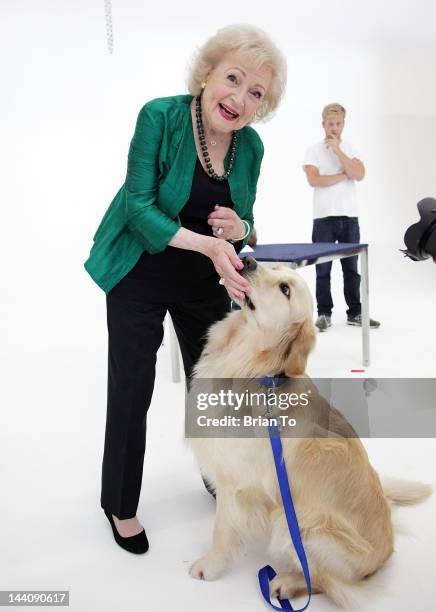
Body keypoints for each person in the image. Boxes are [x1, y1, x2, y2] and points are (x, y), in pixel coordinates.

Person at [83, 24, 286, 553]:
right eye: (233, 79)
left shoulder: (252, 147)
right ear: (208, 73)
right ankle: (119, 503)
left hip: (202, 280)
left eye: (256, 92)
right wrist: (209, 245)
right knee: (133, 387)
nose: (240, 98)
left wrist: (240, 232)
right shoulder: (161, 116)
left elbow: (247, 223)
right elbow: (138, 207)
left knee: (217, 387)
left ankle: (218, 474)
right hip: (139, 271)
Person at [303, 103, 380, 332]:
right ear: (323, 124)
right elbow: (315, 180)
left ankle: (355, 313)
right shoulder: (313, 150)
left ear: (343, 124)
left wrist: (338, 151)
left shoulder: (351, 148)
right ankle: (324, 314)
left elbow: (359, 174)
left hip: (349, 218)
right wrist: (343, 174)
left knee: (351, 268)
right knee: (323, 269)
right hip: (323, 218)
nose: (334, 128)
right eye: (330, 124)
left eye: (338, 124)